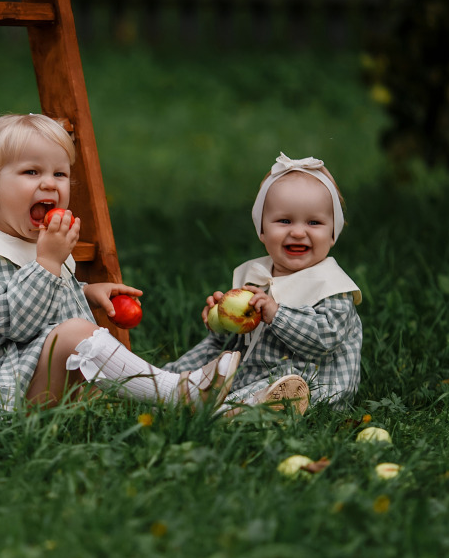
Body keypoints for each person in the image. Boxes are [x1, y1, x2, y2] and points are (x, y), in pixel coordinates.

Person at [0, 111, 240, 415]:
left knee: (82, 341)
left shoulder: (41, 243)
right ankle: (178, 394)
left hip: (36, 381)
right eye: (31, 172)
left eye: (60, 173)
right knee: (74, 334)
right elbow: (15, 323)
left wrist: (84, 292)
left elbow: (44, 302)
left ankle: (229, 404)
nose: (50, 184)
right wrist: (48, 262)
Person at [69, 153, 362, 415]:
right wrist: (221, 319)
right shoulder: (257, 275)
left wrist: (277, 313)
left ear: (333, 233)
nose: (298, 232)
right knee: (212, 353)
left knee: (283, 386)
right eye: (284, 221)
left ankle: (231, 411)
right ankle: (160, 383)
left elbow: (325, 339)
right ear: (262, 229)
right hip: (254, 370)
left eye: (314, 223)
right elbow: (239, 337)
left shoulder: (332, 285)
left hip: (311, 379)